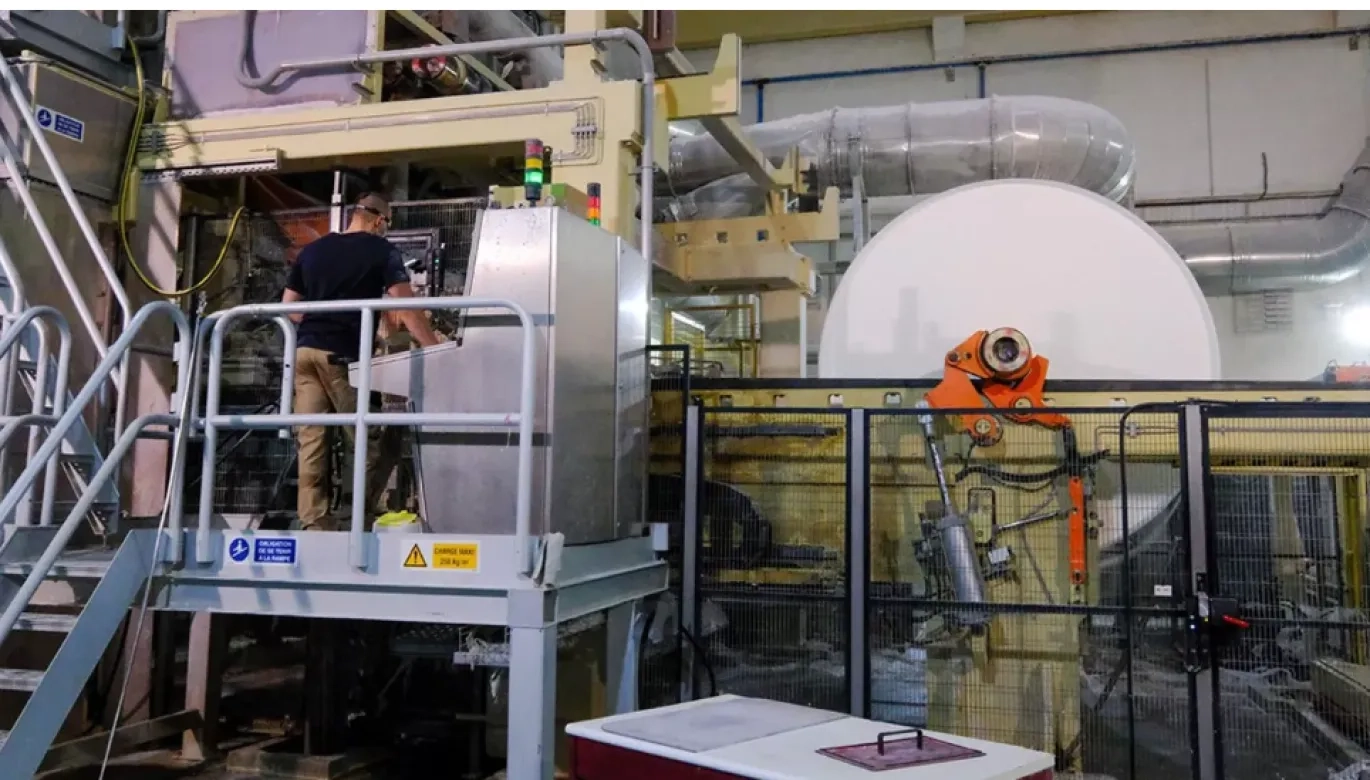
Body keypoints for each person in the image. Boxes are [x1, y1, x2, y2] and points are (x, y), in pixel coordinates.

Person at [283, 191, 441, 531]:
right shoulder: (381, 250)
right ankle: (355, 518)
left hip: (305, 352)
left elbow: (290, 307)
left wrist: (318, 324)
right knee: (363, 436)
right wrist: (434, 347)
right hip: (343, 357)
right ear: (380, 220)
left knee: (311, 439)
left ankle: (314, 522)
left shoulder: (312, 250)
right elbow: (406, 307)